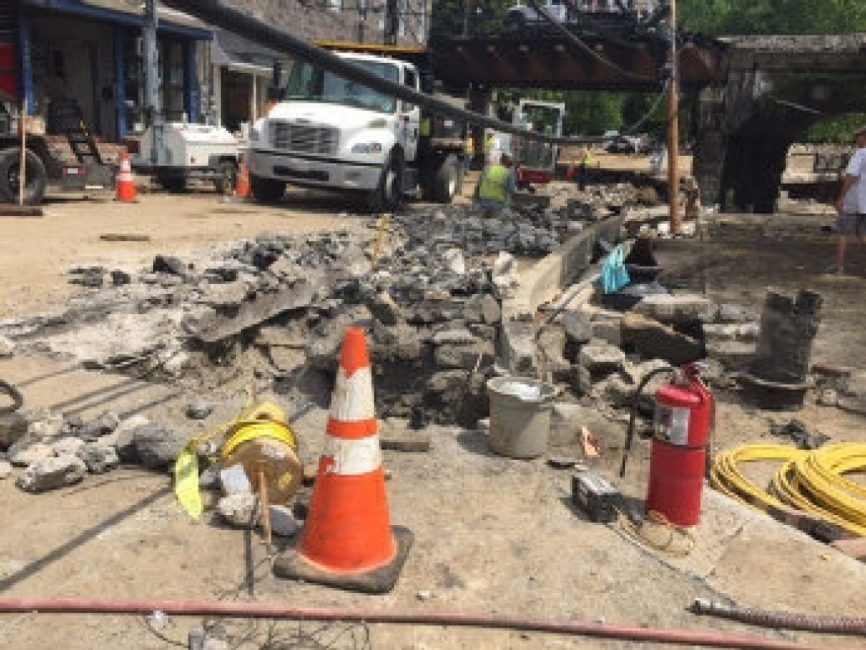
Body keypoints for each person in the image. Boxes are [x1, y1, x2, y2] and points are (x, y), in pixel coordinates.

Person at [833, 127, 866, 275]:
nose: (856, 139)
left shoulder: (860, 154)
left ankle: (839, 267)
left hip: (854, 199)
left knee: (843, 232)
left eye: (858, 136)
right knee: (863, 234)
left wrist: (841, 197)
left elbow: (851, 176)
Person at [476, 152, 516, 218]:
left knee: (481, 222)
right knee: (494, 224)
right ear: (511, 164)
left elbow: (479, 185)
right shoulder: (509, 173)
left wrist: (477, 200)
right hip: (497, 203)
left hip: (483, 201)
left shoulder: (488, 168)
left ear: (500, 160)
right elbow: (511, 190)